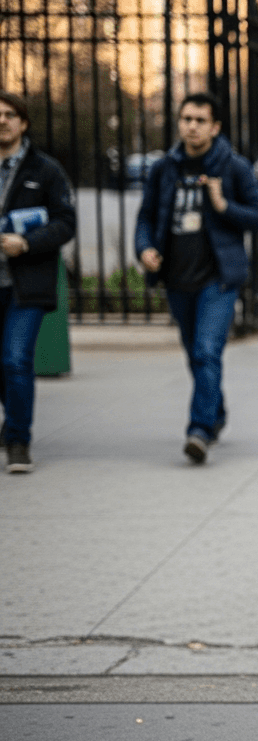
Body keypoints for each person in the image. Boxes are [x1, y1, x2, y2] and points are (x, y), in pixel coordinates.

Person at [135, 92, 258, 464]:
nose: (191, 126)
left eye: (199, 120)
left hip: (219, 278)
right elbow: (145, 216)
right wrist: (144, 248)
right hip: (177, 279)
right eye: (186, 119)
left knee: (207, 351)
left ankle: (198, 431)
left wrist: (224, 205)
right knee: (196, 356)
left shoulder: (233, 167)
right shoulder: (165, 168)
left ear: (214, 127)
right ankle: (216, 412)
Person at [0, 91, 76, 474]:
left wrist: (27, 242)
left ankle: (18, 441)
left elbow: (66, 223)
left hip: (25, 284)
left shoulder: (45, 170)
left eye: (10, 115)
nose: (2, 121)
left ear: (23, 123)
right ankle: (11, 420)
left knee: (15, 359)